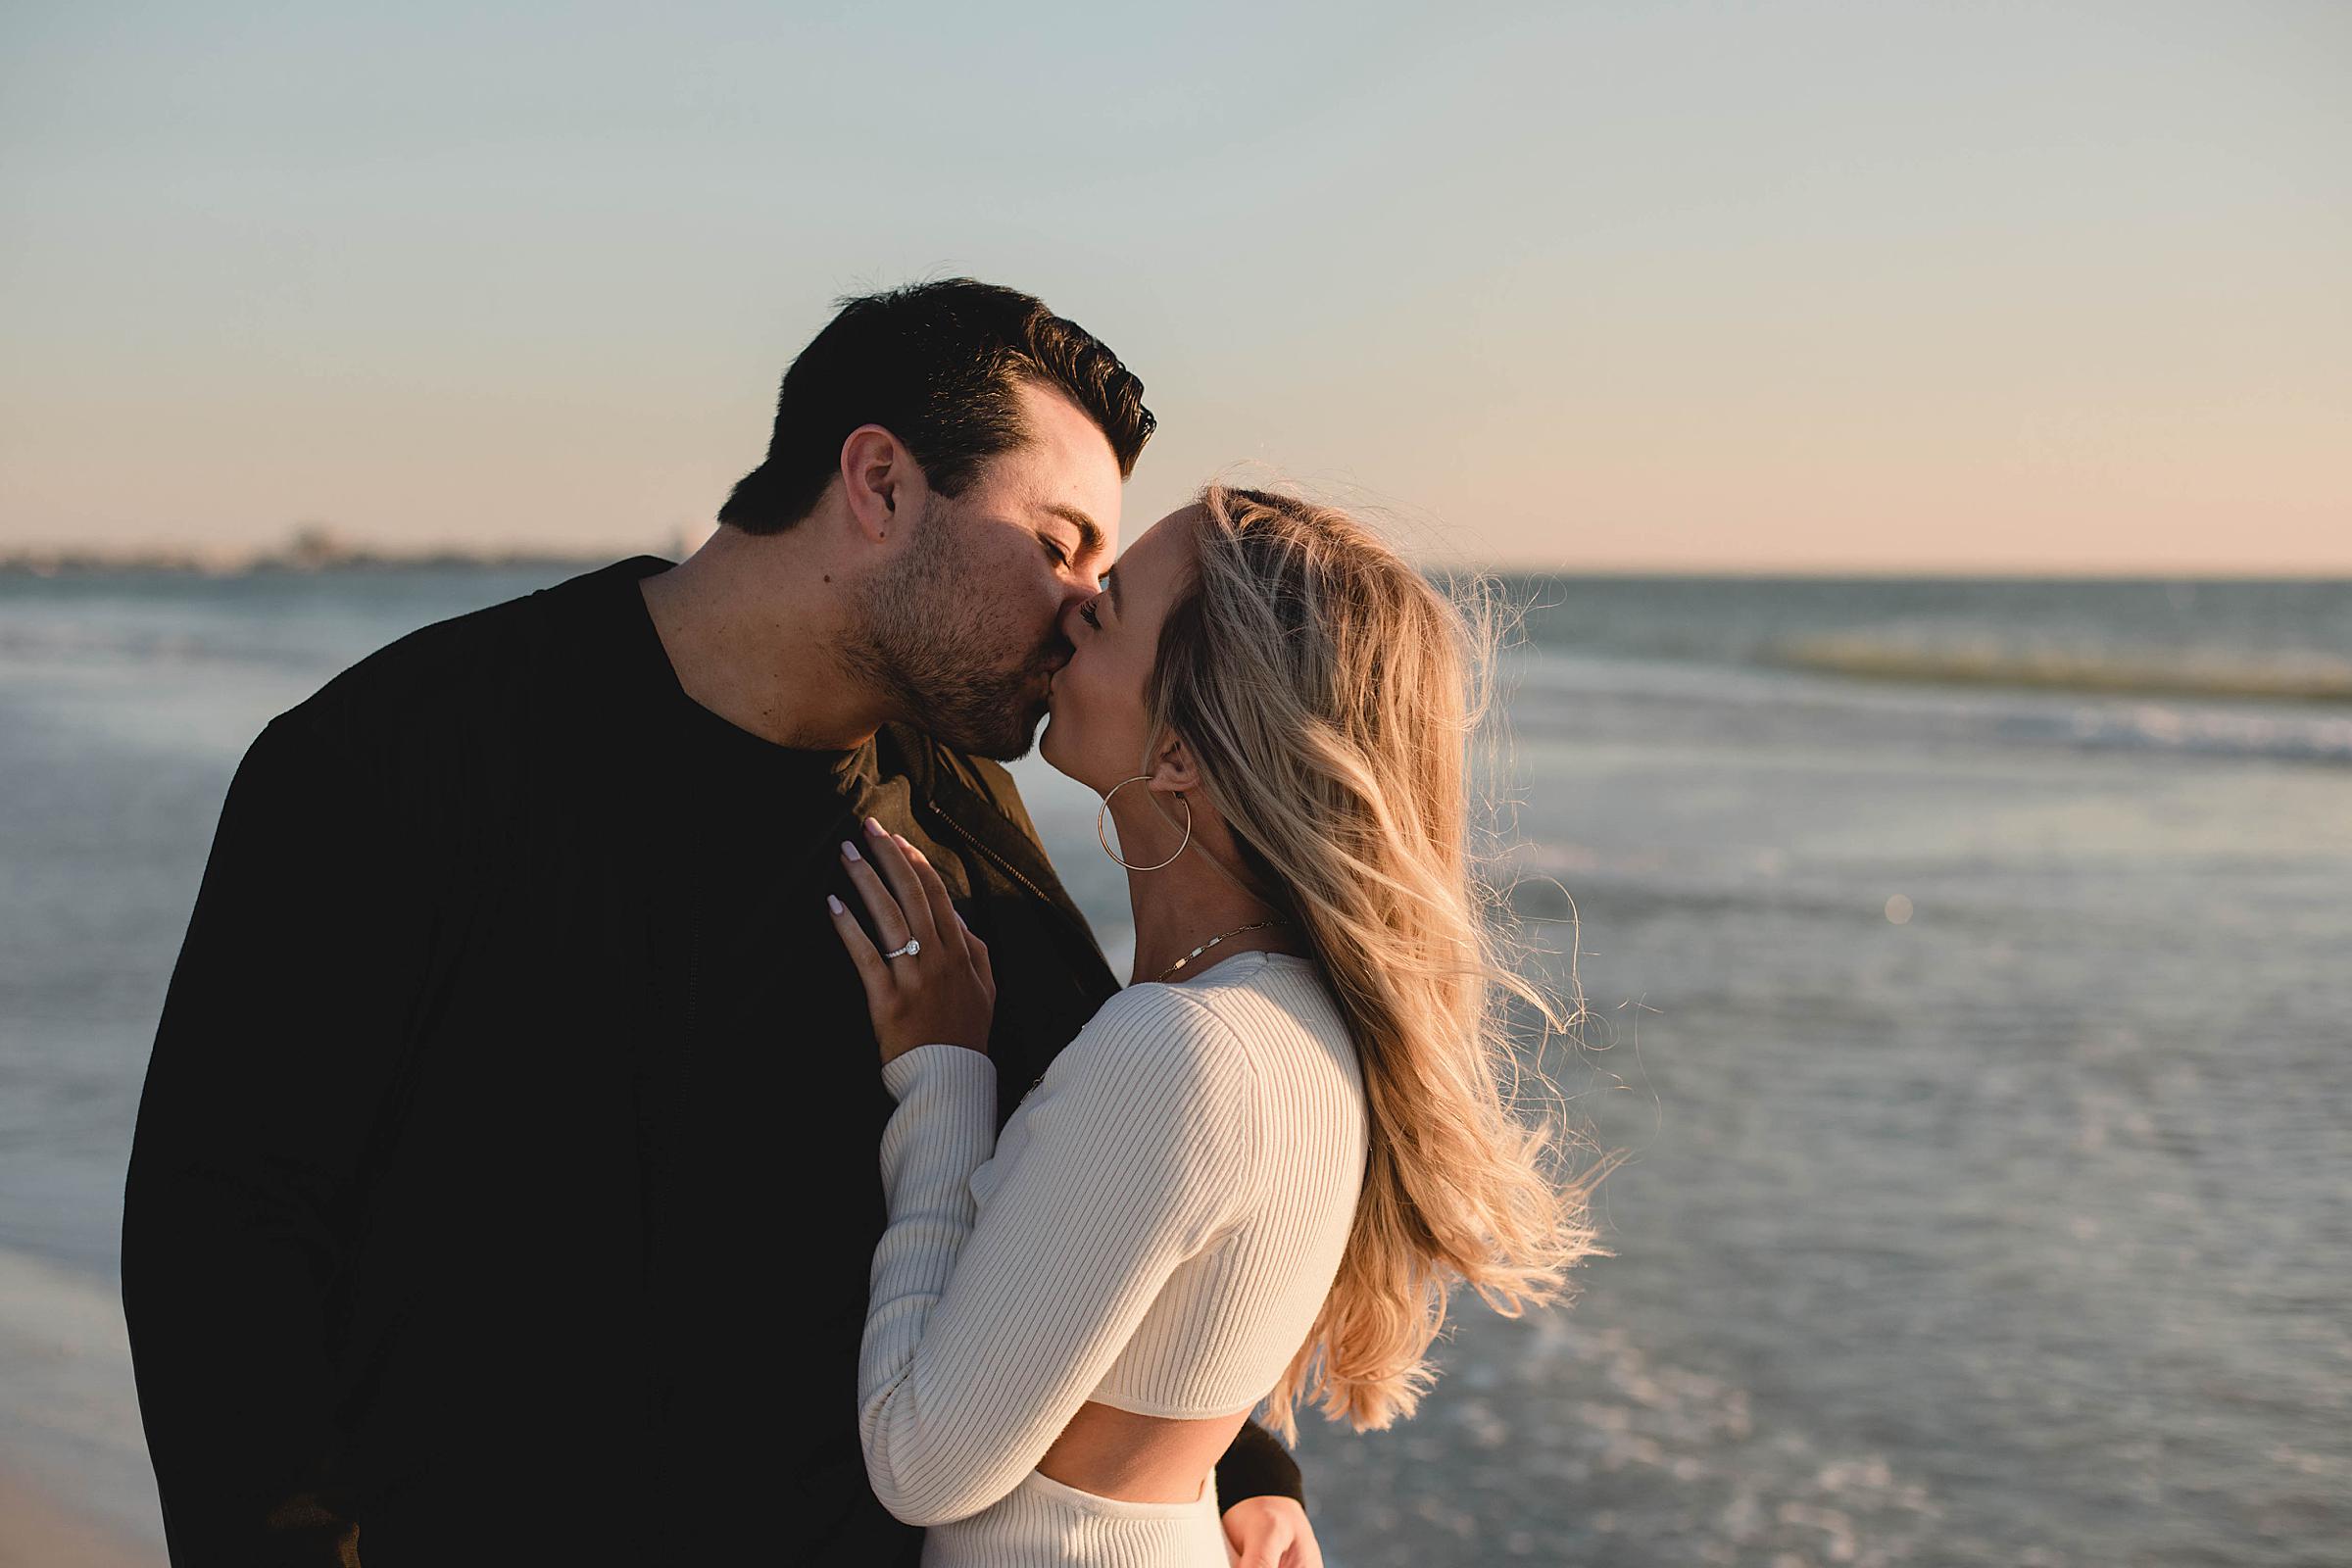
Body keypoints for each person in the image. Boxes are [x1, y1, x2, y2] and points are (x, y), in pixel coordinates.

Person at [120, 279, 1323, 1565]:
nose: (1085, 605)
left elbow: (1094, 1172)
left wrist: (1235, 1462)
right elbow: (226, 1242)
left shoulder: (953, 799)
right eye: (1060, 541)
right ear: (880, 483)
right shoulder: (400, 757)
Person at [825, 484, 1615, 1565]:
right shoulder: (1301, 1029)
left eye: (1105, 614)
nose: (1068, 610)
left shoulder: (1178, 1052)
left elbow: (920, 1460)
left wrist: (942, 1073)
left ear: (1182, 751)